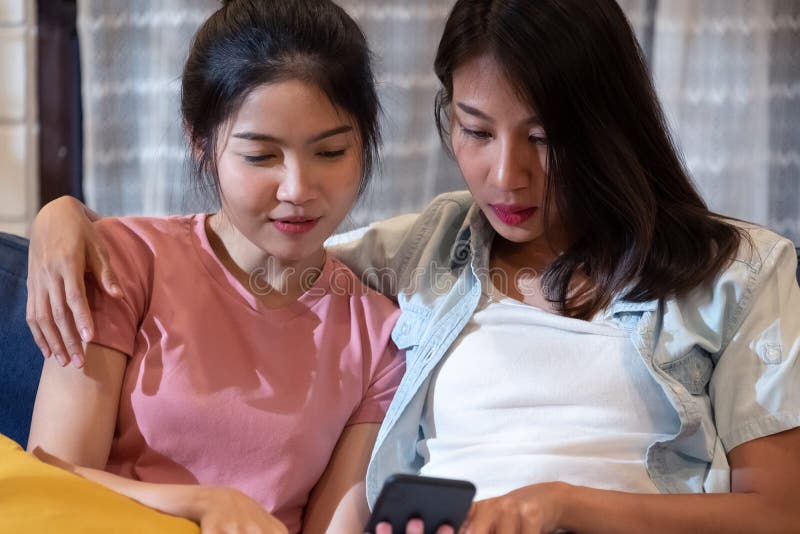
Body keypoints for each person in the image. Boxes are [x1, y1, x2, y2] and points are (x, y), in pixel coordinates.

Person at [25, 0, 800, 532]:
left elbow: (780, 511)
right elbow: (256, 258)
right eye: (474, 130)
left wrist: (560, 505)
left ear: (609, 126)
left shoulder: (738, 271)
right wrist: (62, 220)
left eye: (544, 137)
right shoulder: (426, 252)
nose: (505, 176)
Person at [22, 1, 407, 533]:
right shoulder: (122, 264)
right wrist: (202, 504)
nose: (297, 189)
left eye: (330, 152)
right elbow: (52, 479)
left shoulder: (379, 338)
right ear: (200, 142)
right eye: (261, 156)